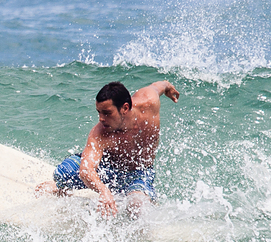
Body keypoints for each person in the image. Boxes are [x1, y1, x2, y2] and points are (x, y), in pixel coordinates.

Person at [41, 79, 180, 217]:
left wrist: (168, 87)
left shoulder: (149, 102)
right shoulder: (100, 133)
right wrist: (103, 191)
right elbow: (86, 170)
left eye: (107, 113)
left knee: (137, 208)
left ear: (125, 108)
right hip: (108, 170)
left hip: (138, 173)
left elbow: (159, 86)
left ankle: (144, 194)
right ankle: (60, 189)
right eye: (99, 112)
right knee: (62, 173)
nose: (101, 118)